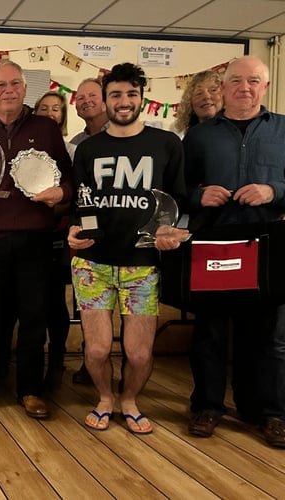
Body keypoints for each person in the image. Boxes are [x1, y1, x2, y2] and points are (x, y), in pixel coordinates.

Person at [68, 62, 186, 435]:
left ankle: (130, 399)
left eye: (131, 94)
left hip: (142, 264)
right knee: (99, 350)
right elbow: (80, 204)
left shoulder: (167, 144)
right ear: (105, 100)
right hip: (93, 262)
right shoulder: (88, 149)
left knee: (139, 353)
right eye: (116, 94)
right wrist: (74, 232)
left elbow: (179, 204)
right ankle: (105, 397)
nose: (123, 101)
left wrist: (175, 232)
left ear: (142, 99)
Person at [0, 60, 72, 419]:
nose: (8, 90)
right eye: (1, 85)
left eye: (15, 84)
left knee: (33, 316)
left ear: (25, 89)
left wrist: (61, 193)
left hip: (35, 239)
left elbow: (69, 180)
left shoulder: (47, 129)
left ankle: (30, 390)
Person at [183, 56, 285, 447]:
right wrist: (198, 195)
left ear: (265, 86)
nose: (245, 87)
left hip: (269, 246)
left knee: (268, 337)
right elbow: (180, 191)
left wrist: (273, 191)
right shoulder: (199, 136)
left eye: (254, 81)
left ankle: (269, 412)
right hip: (215, 244)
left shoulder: (282, 130)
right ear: (223, 87)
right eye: (236, 81)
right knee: (208, 333)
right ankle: (207, 406)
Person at [69, 78, 110, 386]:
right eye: (79, 97)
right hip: (89, 233)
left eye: (91, 95)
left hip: (126, 235)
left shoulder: (129, 136)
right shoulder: (77, 144)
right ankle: (90, 362)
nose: (85, 101)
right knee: (92, 305)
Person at [33, 90, 73, 390]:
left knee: (54, 301)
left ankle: (56, 359)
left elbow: (74, 194)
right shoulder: (29, 149)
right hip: (32, 235)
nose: (49, 113)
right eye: (43, 108)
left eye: (55, 108)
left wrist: (56, 205)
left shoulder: (70, 150)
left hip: (58, 233)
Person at [172, 70, 223, 136]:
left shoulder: (237, 132)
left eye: (213, 90)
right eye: (199, 93)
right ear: (190, 103)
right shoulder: (184, 136)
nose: (206, 96)